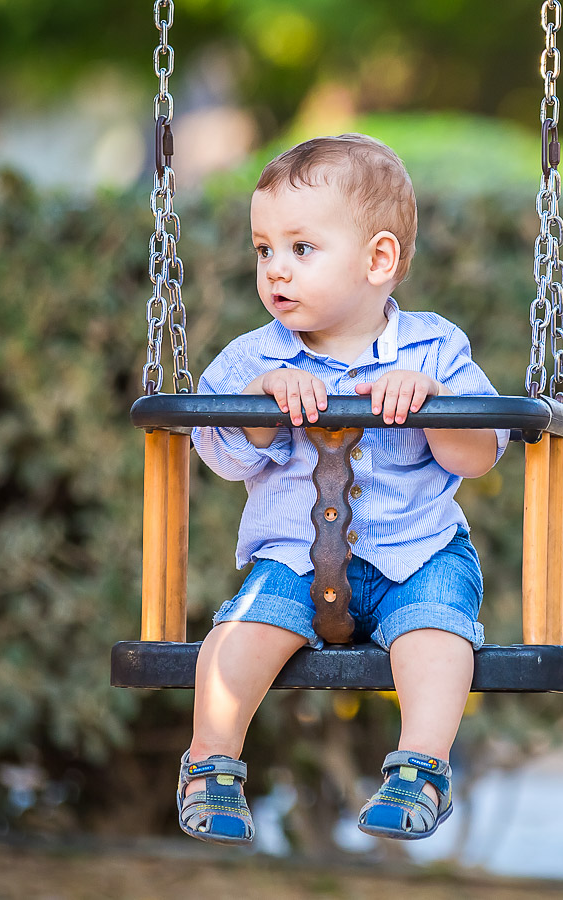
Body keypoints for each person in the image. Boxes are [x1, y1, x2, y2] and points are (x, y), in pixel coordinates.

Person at [174, 134, 508, 845]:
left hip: (417, 557)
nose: (276, 271)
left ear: (378, 259)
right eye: (264, 249)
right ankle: (211, 763)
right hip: (292, 560)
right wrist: (263, 404)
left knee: (438, 634)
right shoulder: (253, 356)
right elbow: (221, 454)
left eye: (301, 249)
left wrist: (433, 401)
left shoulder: (435, 348)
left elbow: (480, 454)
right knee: (237, 636)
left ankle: (421, 768)